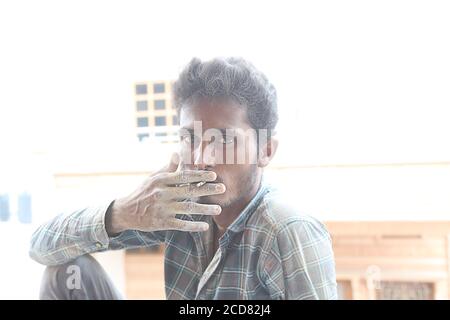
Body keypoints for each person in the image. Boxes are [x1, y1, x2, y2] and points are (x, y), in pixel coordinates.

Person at [30, 57, 337, 300]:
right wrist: (122, 213)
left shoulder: (287, 231)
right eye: (191, 138)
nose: (202, 159)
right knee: (66, 273)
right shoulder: (179, 207)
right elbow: (41, 246)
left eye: (224, 140)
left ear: (266, 150)